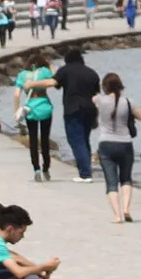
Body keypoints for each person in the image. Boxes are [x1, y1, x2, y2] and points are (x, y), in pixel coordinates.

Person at [93, 72, 141, 224]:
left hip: (106, 144)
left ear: (105, 86)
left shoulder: (99, 100)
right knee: (126, 178)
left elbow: (93, 99)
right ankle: (127, 208)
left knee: (111, 181)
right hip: (125, 143)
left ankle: (117, 215)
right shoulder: (128, 102)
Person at [54, 47, 102, 182]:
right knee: (85, 140)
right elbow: (97, 95)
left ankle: (85, 173)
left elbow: (54, 83)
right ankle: (86, 170)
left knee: (76, 140)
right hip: (90, 109)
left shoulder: (65, 70)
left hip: (73, 109)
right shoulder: (92, 73)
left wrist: (33, 83)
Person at [14, 58, 57, 181]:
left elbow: (16, 94)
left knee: (33, 139)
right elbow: (55, 80)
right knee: (44, 138)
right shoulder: (44, 71)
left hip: (30, 108)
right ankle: (46, 167)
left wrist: (16, 110)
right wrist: (49, 64)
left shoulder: (22, 75)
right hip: (44, 106)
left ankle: (36, 169)